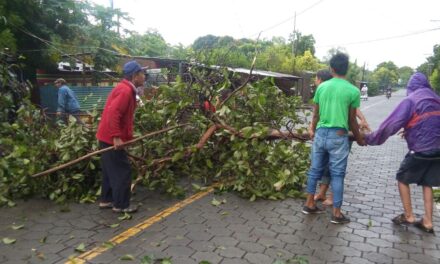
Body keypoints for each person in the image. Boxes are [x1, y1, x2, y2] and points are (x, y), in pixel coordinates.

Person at [365, 72, 440, 233]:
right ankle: (428, 222)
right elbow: (430, 122)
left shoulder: (410, 100)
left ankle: (409, 215)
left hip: (421, 150)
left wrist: (369, 139)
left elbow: (390, 126)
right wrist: (411, 130)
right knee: (427, 183)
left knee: (402, 177)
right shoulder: (436, 99)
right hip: (438, 150)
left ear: (411, 86)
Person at [303, 53, 365, 224]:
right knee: (337, 175)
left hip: (321, 134)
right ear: (347, 69)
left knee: (314, 171)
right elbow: (352, 120)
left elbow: (315, 114)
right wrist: (359, 139)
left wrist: (311, 129)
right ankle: (337, 214)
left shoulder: (322, 87)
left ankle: (309, 204)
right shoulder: (353, 90)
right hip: (338, 136)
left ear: (332, 69)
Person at [309, 70, 371, 206]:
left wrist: (362, 121)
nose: (315, 82)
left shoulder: (328, 89)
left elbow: (353, 110)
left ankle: (331, 198)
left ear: (320, 80)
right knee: (329, 166)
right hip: (335, 133)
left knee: (334, 168)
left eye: (315, 79)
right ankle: (322, 193)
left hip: (343, 132)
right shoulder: (327, 89)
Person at [96, 60, 146, 213]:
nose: (144, 76)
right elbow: (113, 114)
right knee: (122, 171)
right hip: (111, 139)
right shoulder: (125, 91)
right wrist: (116, 137)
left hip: (105, 137)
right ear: (135, 76)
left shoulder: (127, 89)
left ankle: (107, 200)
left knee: (110, 170)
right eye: (142, 73)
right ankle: (121, 205)